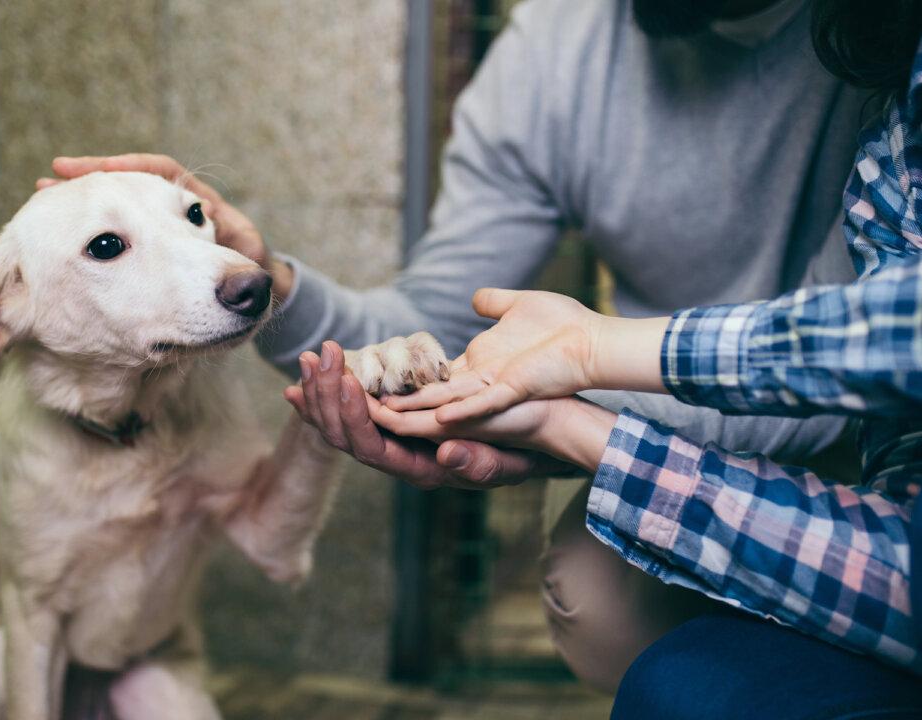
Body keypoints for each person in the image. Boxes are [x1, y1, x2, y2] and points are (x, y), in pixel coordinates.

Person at [45, 0, 874, 693]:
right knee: (597, 602)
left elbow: (856, 350)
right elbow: (435, 324)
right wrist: (273, 288)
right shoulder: (555, 51)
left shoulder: (879, 44)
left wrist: (568, 412)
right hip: (675, 413)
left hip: (871, 422)